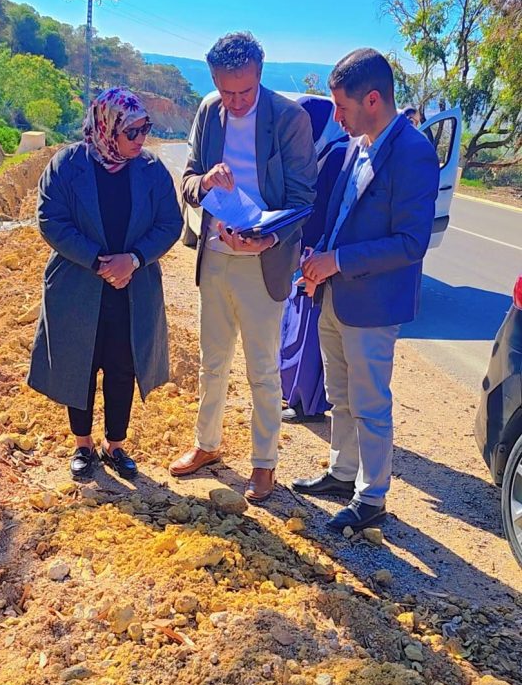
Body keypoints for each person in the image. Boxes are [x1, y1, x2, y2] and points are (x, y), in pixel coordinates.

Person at [292, 49, 439, 532]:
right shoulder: (358, 144)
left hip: (373, 304)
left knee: (370, 403)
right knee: (340, 393)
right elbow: (340, 217)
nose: (336, 118)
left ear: (373, 99)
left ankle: (372, 497)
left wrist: (337, 261)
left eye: (343, 107)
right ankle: (343, 473)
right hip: (335, 294)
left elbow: (411, 242)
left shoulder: (413, 152)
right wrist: (318, 260)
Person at [169, 32, 317, 502]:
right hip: (216, 255)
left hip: (263, 262)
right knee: (212, 362)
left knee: (262, 370)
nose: (234, 102)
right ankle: (206, 444)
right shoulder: (208, 110)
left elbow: (303, 199)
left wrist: (266, 239)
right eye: (226, 91)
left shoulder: (289, 118)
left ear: (260, 75)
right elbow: (188, 179)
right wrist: (204, 181)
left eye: (245, 92)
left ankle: (264, 463)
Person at [27, 87, 183, 480]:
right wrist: (98, 260)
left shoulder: (151, 170)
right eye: (131, 131)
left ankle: (116, 445)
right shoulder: (66, 166)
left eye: (145, 128)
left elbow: (170, 223)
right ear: (106, 128)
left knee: (122, 365)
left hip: (132, 288)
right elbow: (51, 220)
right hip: (79, 286)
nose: (140, 138)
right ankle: (82, 445)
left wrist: (133, 259)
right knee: (79, 362)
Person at [280, 95, 349, 424]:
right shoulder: (318, 154)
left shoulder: (338, 155)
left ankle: (308, 404)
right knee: (295, 328)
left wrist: (312, 253)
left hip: (317, 259)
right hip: (304, 253)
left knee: (309, 336)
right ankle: (294, 394)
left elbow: (326, 214)